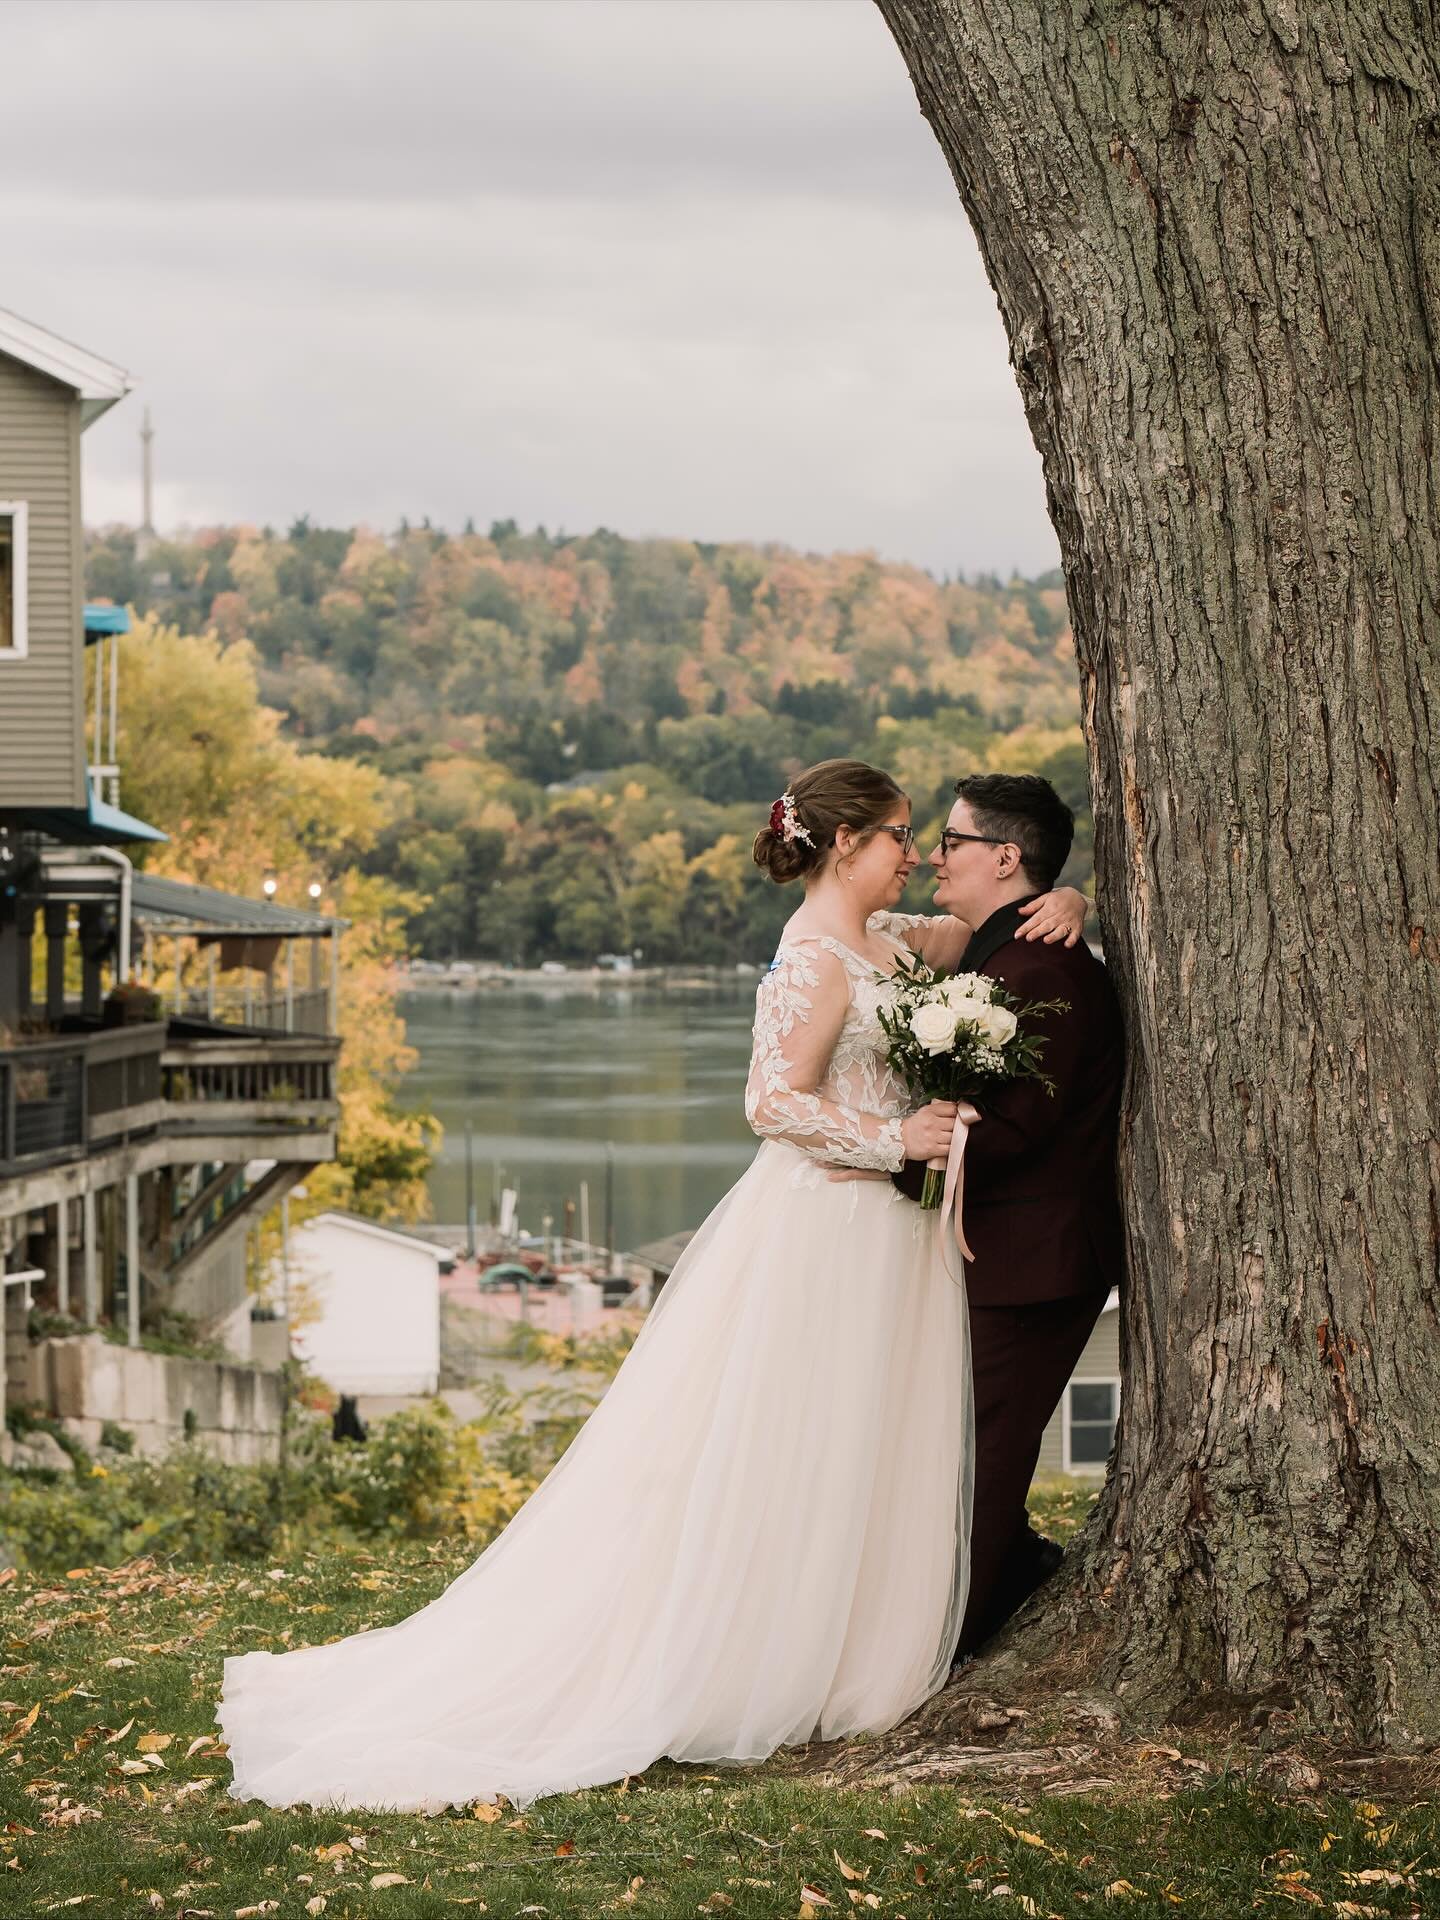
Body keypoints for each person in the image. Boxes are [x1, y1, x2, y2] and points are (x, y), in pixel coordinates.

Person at [216, 759, 1087, 1814]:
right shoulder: (813, 956)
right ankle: (741, 1648)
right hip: (823, 1224)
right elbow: (771, 1103)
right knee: (786, 1435)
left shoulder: (890, 940)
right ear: (847, 844)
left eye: (922, 837)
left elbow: (983, 936)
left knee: (863, 1434)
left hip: (888, 1242)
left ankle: (843, 1632)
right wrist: (894, 1135)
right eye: (900, 834)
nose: (914, 853)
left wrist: (1067, 897)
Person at [889, 773, 1123, 1655]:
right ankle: (1021, 1577)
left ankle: (960, 1639)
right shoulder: (998, 949)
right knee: (959, 1440)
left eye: (951, 842)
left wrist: (893, 1150)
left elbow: (1022, 1123)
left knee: (982, 1455)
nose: (936, 857)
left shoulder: (1041, 964)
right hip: (1001, 1247)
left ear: (1005, 857)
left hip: (1037, 1257)